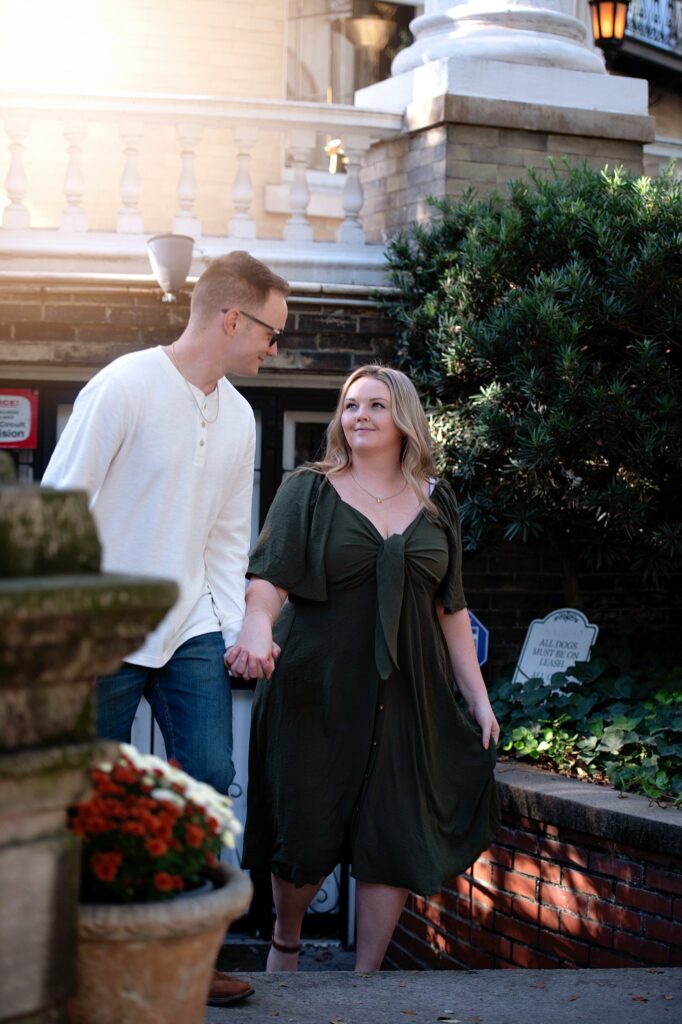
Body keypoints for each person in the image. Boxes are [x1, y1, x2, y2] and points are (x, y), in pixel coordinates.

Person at [42, 251, 289, 1006]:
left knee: (209, 781)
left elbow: (222, 540)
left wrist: (231, 630)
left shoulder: (243, 416)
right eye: (271, 333)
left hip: (188, 628)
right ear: (232, 318)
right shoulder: (123, 387)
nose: (273, 349)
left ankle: (185, 954)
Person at [228, 364, 501, 972]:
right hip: (315, 686)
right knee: (305, 824)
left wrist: (478, 700)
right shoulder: (309, 489)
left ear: (404, 418)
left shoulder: (437, 500)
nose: (359, 417)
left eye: (376, 406)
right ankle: (287, 944)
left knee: (394, 828)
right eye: (351, 405)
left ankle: (365, 984)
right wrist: (255, 623)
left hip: (409, 693)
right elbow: (269, 576)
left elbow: (451, 608)